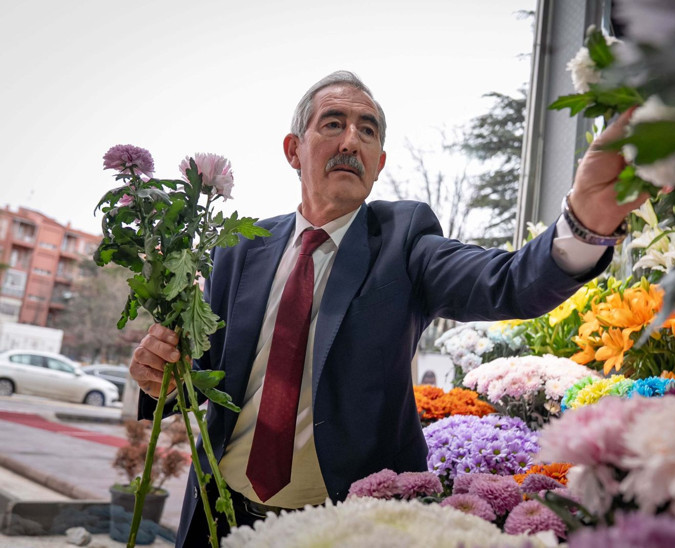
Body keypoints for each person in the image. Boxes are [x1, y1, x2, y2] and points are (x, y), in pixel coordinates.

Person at [130, 70, 644, 546]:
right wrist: (161, 376)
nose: (351, 141)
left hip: (345, 528)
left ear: (378, 163)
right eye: (333, 123)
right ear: (293, 150)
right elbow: (202, 372)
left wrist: (583, 224)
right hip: (220, 517)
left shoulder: (403, 241)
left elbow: (507, 282)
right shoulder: (242, 248)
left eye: (368, 131)